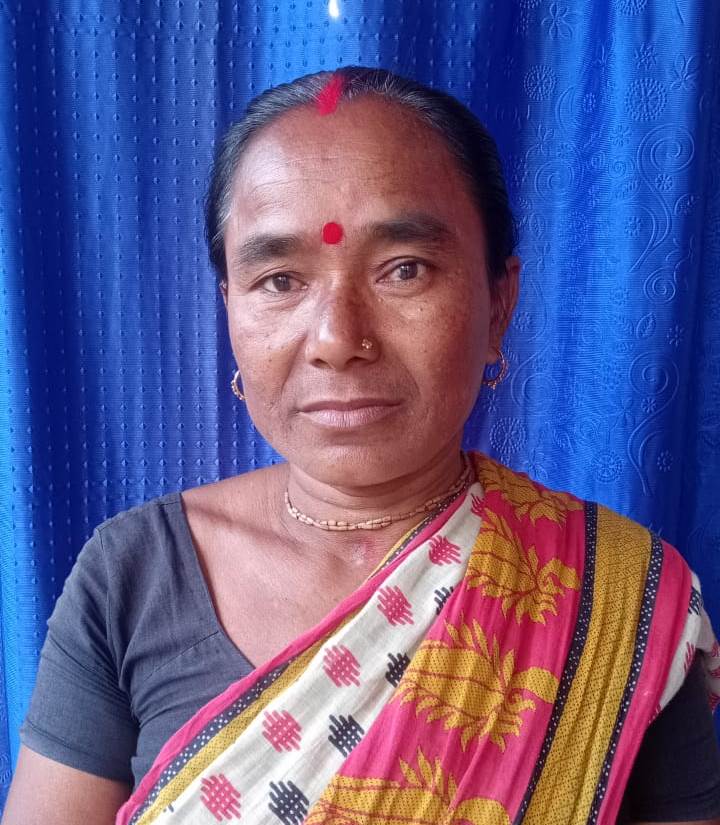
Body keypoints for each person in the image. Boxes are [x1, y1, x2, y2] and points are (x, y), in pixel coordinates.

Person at [3, 67, 720, 825]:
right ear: (229, 309)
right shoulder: (132, 575)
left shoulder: (619, 603)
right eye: (280, 280)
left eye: (403, 270)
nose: (337, 338)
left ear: (498, 302)